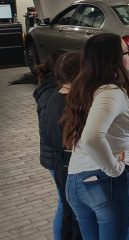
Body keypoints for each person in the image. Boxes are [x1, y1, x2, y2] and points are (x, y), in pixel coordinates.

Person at [62, 33, 129, 240]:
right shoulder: (111, 92)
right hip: (104, 183)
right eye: (128, 51)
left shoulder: (86, 88)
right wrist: (114, 169)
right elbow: (92, 137)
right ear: (115, 59)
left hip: (77, 181)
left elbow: (104, 132)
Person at [45, 51, 83, 240]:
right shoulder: (69, 103)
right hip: (67, 164)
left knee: (69, 209)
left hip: (60, 163)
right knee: (74, 212)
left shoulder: (54, 97)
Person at [34, 50, 64, 240]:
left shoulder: (51, 89)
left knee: (67, 203)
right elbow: (53, 131)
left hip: (56, 156)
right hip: (57, 157)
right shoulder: (52, 94)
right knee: (65, 204)